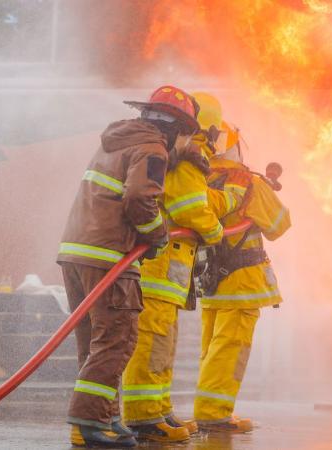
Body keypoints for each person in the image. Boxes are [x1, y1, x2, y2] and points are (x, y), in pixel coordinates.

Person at [57, 85, 199, 448]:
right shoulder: (152, 149)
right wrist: (156, 235)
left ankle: (102, 419)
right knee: (117, 340)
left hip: (76, 253)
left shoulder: (116, 141)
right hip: (109, 256)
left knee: (94, 343)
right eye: (180, 134)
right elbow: (139, 197)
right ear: (171, 128)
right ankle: (90, 423)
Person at [120, 92, 242, 443]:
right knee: (151, 341)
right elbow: (190, 207)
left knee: (163, 342)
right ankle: (144, 416)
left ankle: (159, 409)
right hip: (159, 271)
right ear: (211, 130)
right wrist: (215, 231)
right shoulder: (189, 159)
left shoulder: (181, 155)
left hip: (168, 272)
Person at [193, 112, 291, 433]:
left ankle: (208, 408)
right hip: (243, 282)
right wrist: (265, 192)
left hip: (210, 282)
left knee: (211, 347)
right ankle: (214, 412)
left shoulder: (198, 180)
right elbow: (279, 225)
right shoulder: (247, 181)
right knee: (230, 348)